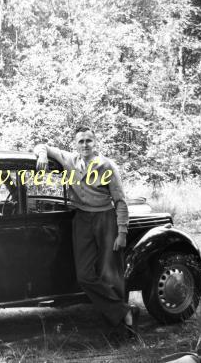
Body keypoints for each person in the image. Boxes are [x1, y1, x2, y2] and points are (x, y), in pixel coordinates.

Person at [33, 126, 137, 333]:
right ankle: (123, 311)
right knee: (84, 276)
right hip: (82, 218)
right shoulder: (69, 160)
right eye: (80, 141)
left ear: (95, 142)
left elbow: (120, 201)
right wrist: (43, 154)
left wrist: (122, 231)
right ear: (75, 144)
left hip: (105, 218)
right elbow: (41, 145)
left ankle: (121, 328)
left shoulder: (107, 166)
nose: (85, 145)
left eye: (88, 140)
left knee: (110, 272)